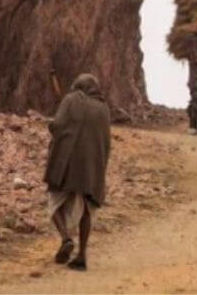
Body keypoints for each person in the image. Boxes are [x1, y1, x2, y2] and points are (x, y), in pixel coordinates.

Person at [44, 73, 111, 271]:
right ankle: (82, 255)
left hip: (67, 164)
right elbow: (105, 142)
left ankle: (66, 238)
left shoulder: (70, 99)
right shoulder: (103, 109)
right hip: (92, 168)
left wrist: (51, 125)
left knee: (54, 202)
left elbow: (58, 126)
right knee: (86, 209)